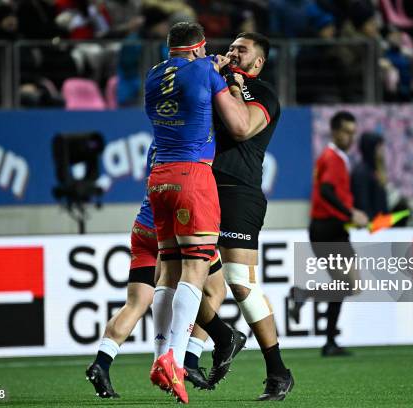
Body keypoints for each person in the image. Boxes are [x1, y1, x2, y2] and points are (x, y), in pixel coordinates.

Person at [145, 22, 250, 404]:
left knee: (168, 270)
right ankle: (174, 359)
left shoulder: (153, 75)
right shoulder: (206, 68)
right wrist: (225, 80)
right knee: (196, 269)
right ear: (198, 48)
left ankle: (159, 357)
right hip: (193, 175)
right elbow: (238, 124)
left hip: (159, 178)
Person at [84, 143, 235, 398]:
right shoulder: (197, 141)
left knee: (135, 303)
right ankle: (188, 359)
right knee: (212, 288)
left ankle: (102, 362)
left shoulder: (159, 145)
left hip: (144, 227)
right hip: (177, 225)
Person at [210, 32, 294, 401]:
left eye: (241, 50)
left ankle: (278, 371)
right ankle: (197, 356)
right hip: (201, 187)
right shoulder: (217, 83)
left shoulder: (263, 95)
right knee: (185, 274)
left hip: (238, 191)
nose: (232, 52)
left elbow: (242, 127)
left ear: (258, 63)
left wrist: (232, 82)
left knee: (240, 282)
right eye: (231, 47)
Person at [289, 111, 369, 357]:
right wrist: (350, 214)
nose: (350, 137)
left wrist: (349, 214)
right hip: (329, 229)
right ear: (334, 131)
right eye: (346, 131)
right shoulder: (333, 157)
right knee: (351, 285)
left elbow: (330, 192)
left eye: (353, 133)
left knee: (346, 285)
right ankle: (324, 329)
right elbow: (326, 191)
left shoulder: (333, 157)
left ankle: (329, 340)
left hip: (329, 228)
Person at [351, 131, 389, 219]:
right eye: (379, 147)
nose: (382, 150)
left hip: (381, 225)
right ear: (371, 149)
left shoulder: (375, 170)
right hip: (370, 228)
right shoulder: (361, 173)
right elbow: (363, 205)